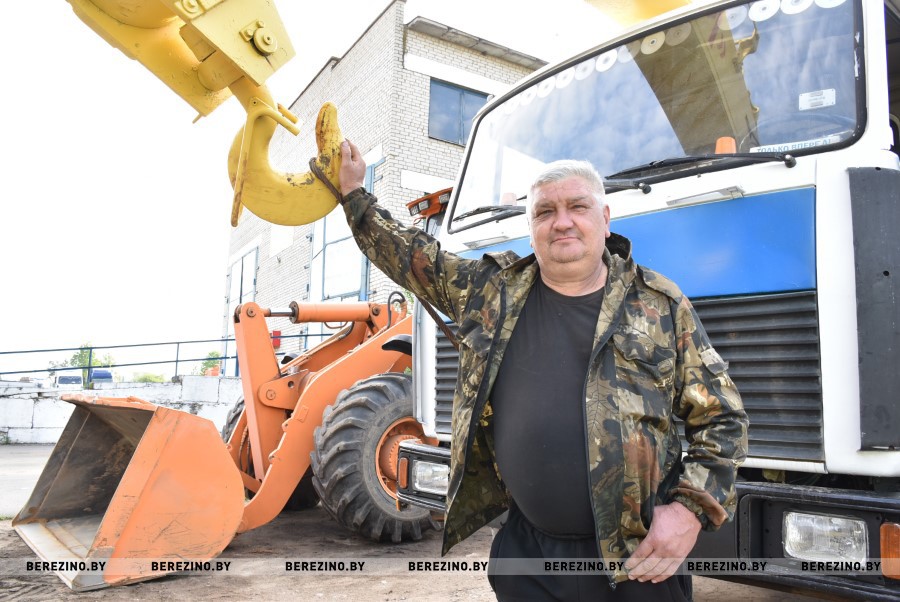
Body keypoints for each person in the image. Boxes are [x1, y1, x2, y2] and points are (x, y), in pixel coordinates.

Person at [337, 140, 748, 601]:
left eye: (577, 206)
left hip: (639, 562)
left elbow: (723, 418)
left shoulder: (659, 305)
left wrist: (690, 511)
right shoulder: (492, 292)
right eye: (545, 212)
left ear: (605, 218)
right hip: (529, 559)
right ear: (531, 229)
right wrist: (353, 193)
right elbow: (411, 256)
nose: (562, 221)